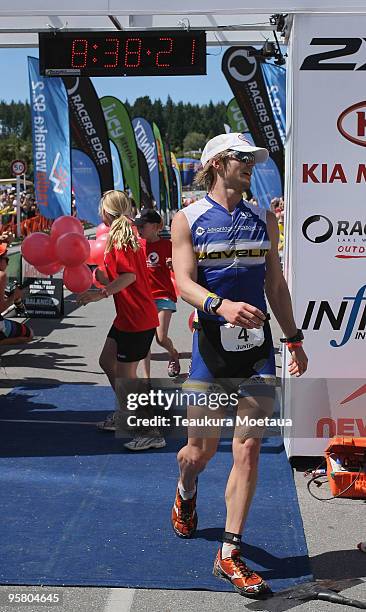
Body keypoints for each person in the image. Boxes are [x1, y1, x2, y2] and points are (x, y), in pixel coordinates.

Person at [170, 133, 308, 598]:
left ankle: (229, 552)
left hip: (257, 351)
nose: (250, 164)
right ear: (216, 164)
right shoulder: (186, 218)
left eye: (253, 159)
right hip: (209, 348)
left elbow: (275, 284)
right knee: (199, 453)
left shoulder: (263, 217)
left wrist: (293, 337)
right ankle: (186, 487)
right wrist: (220, 306)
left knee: (247, 449)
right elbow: (183, 283)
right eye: (241, 158)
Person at [77, 190, 165, 451]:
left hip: (136, 317)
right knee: (107, 361)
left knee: (128, 379)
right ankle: (128, 415)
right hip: (128, 315)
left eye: (100, 209)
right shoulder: (123, 233)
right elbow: (122, 275)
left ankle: (150, 430)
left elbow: (129, 277)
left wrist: (100, 293)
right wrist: (100, 277)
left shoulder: (121, 236)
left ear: (107, 211)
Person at [134, 208, 180, 379]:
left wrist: (172, 265)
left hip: (164, 296)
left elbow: (180, 269)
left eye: (142, 226)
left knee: (160, 338)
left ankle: (173, 354)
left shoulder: (167, 245)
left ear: (155, 226)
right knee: (144, 341)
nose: (138, 230)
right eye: (137, 226)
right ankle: (146, 379)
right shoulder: (137, 245)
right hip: (144, 299)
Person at [0, 243, 33, 346]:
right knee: (29, 334)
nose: (8, 263)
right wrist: (14, 295)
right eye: (6, 259)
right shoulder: (1, 275)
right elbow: (1, 308)